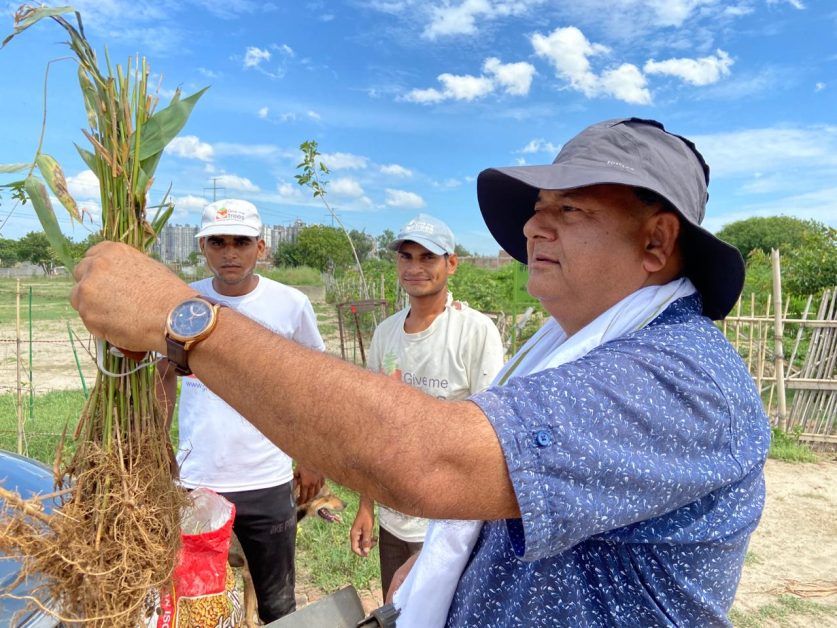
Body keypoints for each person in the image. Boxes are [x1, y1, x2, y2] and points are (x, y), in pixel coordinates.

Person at [72, 118, 769, 627]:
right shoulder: (568, 348)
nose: (533, 229)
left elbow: (429, 460)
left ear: (655, 241)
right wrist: (451, 565)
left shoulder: (680, 375)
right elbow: (512, 490)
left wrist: (181, 316)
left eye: (569, 208)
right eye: (536, 210)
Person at [156, 199, 326, 622]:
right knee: (196, 598)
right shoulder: (183, 303)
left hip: (266, 478)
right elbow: (163, 376)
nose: (230, 252)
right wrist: (159, 444)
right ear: (203, 247)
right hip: (197, 481)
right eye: (218, 241)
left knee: (278, 602)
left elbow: (312, 382)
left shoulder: (289, 305)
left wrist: (310, 456)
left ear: (261, 248)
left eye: (241, 242)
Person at [349, 214, 504, 597]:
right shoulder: (386, 333)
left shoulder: (474, 331)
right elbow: (373, 426)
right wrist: (367, 506)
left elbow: (490, 436)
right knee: (397, 610)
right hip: (394, 516)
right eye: (407, 257)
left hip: (450, 525)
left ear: (450, 264)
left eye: (428, 258)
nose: (415, 268)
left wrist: (459, 530)